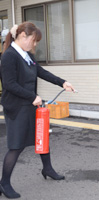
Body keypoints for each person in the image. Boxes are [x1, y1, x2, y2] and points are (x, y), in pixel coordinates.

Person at [0, 22, 74, 199]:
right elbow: (9, 85)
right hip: (17, 108)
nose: (35, 45)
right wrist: (31, 96)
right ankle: (4, 183)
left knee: (42, 137)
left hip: (30, 106)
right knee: (16, 147)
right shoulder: (9, 56)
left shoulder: (26, 55)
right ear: (23, 36)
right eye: (34, 40)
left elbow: (41, 72)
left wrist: (62, 82)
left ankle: (47, 169)